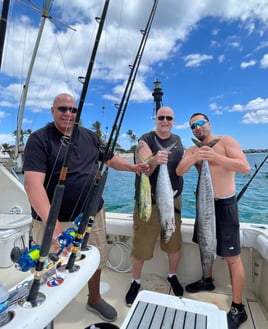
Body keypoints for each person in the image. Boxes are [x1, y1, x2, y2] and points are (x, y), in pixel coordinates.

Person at [23, 92, 148, 323]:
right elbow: (32, 185)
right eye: (63, 109)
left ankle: (94, 297)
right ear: (52, 111)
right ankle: (45, 310)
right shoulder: (39, 139)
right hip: (52, 219)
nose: (68, 114)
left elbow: (109, 159)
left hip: (92, 213)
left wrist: (134, 168)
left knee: (95, 259)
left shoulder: (90, 136)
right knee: (50, 266)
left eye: (73, 110)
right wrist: (57, 230)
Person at [176, 113, 250, 329]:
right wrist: (197, 155)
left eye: (200, 123)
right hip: (204, 204)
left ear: (209, 124)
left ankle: (238, 307)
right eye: (193, 126)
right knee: (205, 245)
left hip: (225, 205)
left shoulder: (226, 141)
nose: (197, 128)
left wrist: (215, 156)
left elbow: (244, 167)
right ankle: (206, 281)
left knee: (232, 257)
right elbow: (180, 170)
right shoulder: (193, 150)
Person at [125, 106, 184, 307]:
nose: (165, 120)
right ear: (156, 119)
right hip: (147, 201)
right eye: (161, 117)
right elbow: (143, 170)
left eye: (169, 117)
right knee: (141, 244)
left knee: (173, 242)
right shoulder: (145, 140)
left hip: (172, 200)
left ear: (173, 120)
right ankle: (136, 281)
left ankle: (172, 275)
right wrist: (156, 161)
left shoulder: (178, 141)